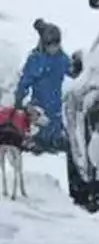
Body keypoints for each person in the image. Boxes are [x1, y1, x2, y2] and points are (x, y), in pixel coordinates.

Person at [13, 19, 70, 153]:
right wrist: (19, 99)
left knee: (55, 122)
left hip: (56, 104)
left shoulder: (62, 59)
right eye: (50, 44)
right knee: (41, 123)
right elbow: (25, 81)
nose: (53, 48)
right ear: (44, 44)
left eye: (57, 43)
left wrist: (79, 67)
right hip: (39, 104)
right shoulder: (36, 59)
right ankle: (36, 140)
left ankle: (55, 140)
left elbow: (72, 70)